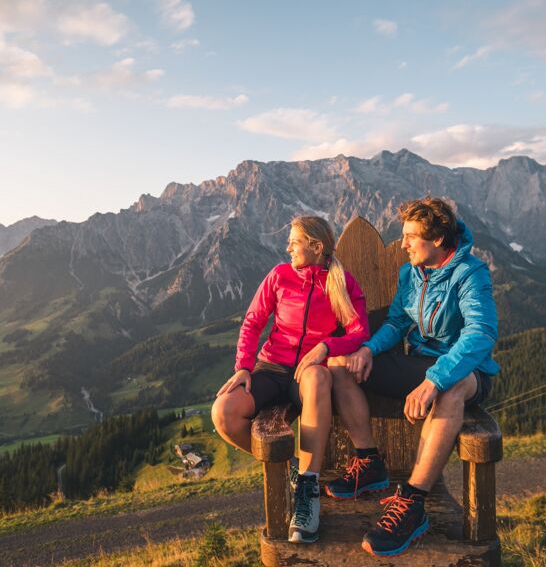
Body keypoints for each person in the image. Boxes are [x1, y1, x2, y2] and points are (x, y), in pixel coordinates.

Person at [324, 197, 499, 557]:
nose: (402, 244)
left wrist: (435, 380)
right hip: (419, 365)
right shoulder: (412, 273)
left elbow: (481, 333)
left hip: (466, 371)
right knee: (341, 367)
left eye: (410, 236)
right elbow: (398, 322)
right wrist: (368, 350)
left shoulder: (470, 273)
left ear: (437, 240)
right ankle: (370, 463)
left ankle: (413, 502)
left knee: (449, 391)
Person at [211, 215, 369, 544]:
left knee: (316, 380)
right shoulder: (280, 275)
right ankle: (291, 467)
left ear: (316, 247)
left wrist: (326, 346)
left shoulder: (342, 283)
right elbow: (254, 321)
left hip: (307, 373)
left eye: (294, 242)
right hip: (270, 368)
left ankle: (307, 490)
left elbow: (359, 332)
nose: (288, 248)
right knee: (223, 413)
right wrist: (243, 366)